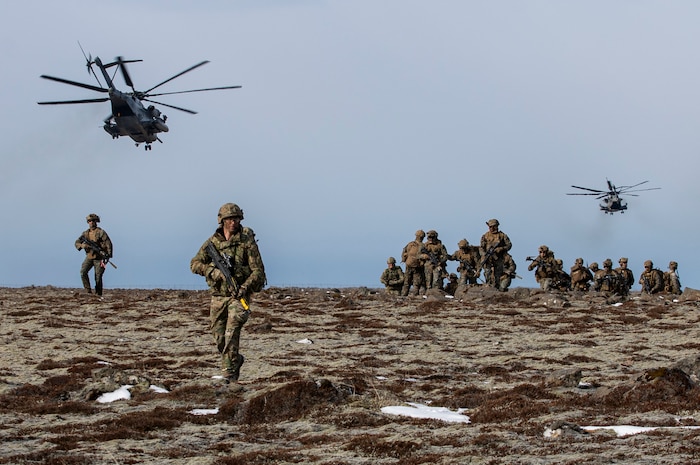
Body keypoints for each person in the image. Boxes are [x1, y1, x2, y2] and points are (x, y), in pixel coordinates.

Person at [190, 203, 266, 384]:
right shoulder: (212, 243)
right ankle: (235, 360)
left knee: (232, 333)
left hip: (238, 296)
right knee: (219, 337)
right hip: (218, 296)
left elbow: (258, 272)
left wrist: (244, 287)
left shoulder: (247, 242)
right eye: (230, 219)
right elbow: (194, 264)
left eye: (236, 218)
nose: (233, 222)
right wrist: (212, 271)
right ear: (222, 220)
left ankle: (229, 375)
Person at [74, 213, 113, 296]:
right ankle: (88, 291)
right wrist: (82, 245)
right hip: (89, 256)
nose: (91, 222)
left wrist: (108, 255)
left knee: (98, 277)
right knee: (83, 272)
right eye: (89, 221)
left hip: (99, 258)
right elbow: (77, 242)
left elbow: (108, 243)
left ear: (96, 221)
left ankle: (98, 294)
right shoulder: (85, 233)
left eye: (93, 221)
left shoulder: (100, 232)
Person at [479, 219, 512, 288]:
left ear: (497, 226)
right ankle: (488, 285)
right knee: (487, 272)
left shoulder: (502, 235)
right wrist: (484, 254)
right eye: (490, 227)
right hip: (488, 257)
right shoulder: (485, 236)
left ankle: (497, 288)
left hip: (499, 258)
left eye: (493, 226)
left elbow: (509, 245)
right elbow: (481, 247)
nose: (491, 228)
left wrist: (501, 249)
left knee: (498, 274)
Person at [401, 230, 426, 296]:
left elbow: (404, 252)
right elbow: (404, 252)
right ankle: (408, 295)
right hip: (414, 266)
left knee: (411, 282)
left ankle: (406, 295)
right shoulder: (418, 245)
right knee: (413, 282)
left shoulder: (411, 244)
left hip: (414, 265)